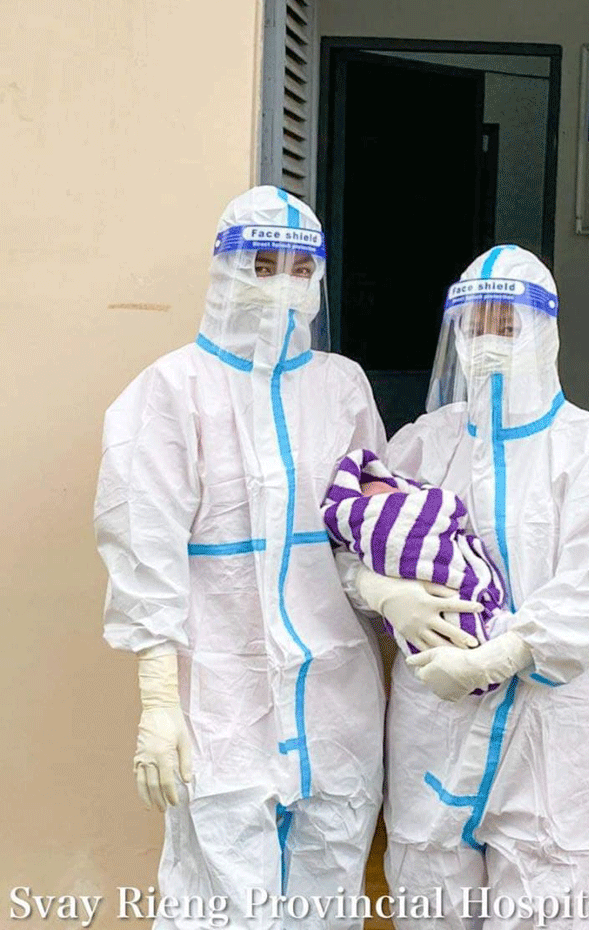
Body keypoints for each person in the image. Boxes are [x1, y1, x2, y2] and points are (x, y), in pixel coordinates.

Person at [95, 186, 386, 930]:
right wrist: (159, 702)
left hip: (335, 693)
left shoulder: (341, 387)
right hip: (222, 695)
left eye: (300, 268)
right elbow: (145, 552)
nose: (282, 283)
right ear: (224, 267)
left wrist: (390, 593)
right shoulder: (170, 390)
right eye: (262, 264)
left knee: (330, 890)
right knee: (221, 904)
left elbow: (367, 522)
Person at [352, 245, 589, 930]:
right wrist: (379, 589)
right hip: (436, 724)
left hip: (550, 737)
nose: (488, 339)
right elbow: (355, 537)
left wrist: (503, 654)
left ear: (544, 331)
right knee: (429, 896)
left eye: (507, 323)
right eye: (476, 323)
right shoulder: (425, 443)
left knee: (552, 897)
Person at [322, 447, 507, 659]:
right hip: (421, 670)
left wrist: (520, 646)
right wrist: (365, 582)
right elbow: (333, 555)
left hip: (519, 647)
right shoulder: (413, 446)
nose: (388, 498)